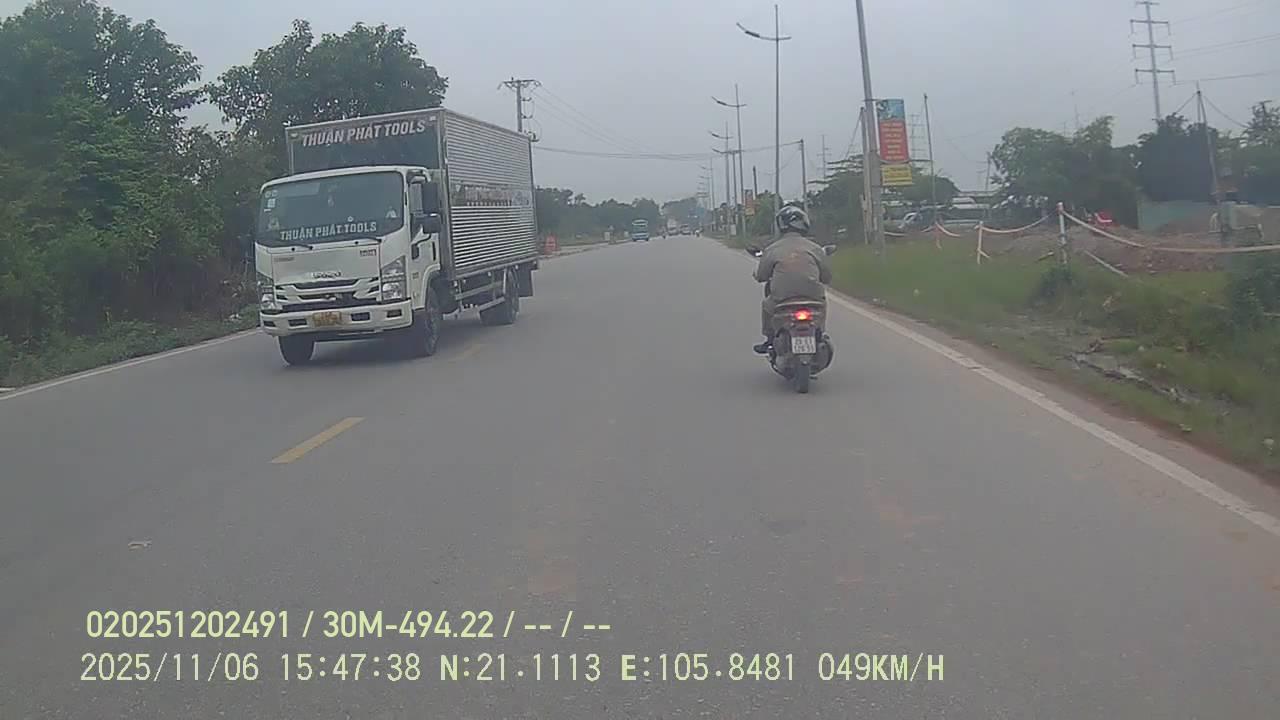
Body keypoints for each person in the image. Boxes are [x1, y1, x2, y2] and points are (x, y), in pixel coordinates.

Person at [752, 203, 832, 354]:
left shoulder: (772, 249)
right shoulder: (815, 248)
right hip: (813, 298)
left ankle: (769, 340)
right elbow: (827, 277)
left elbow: (762, 276)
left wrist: (756, 274)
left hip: (782, 299)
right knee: (822, 305)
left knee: (766, 305)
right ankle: (819, 333)